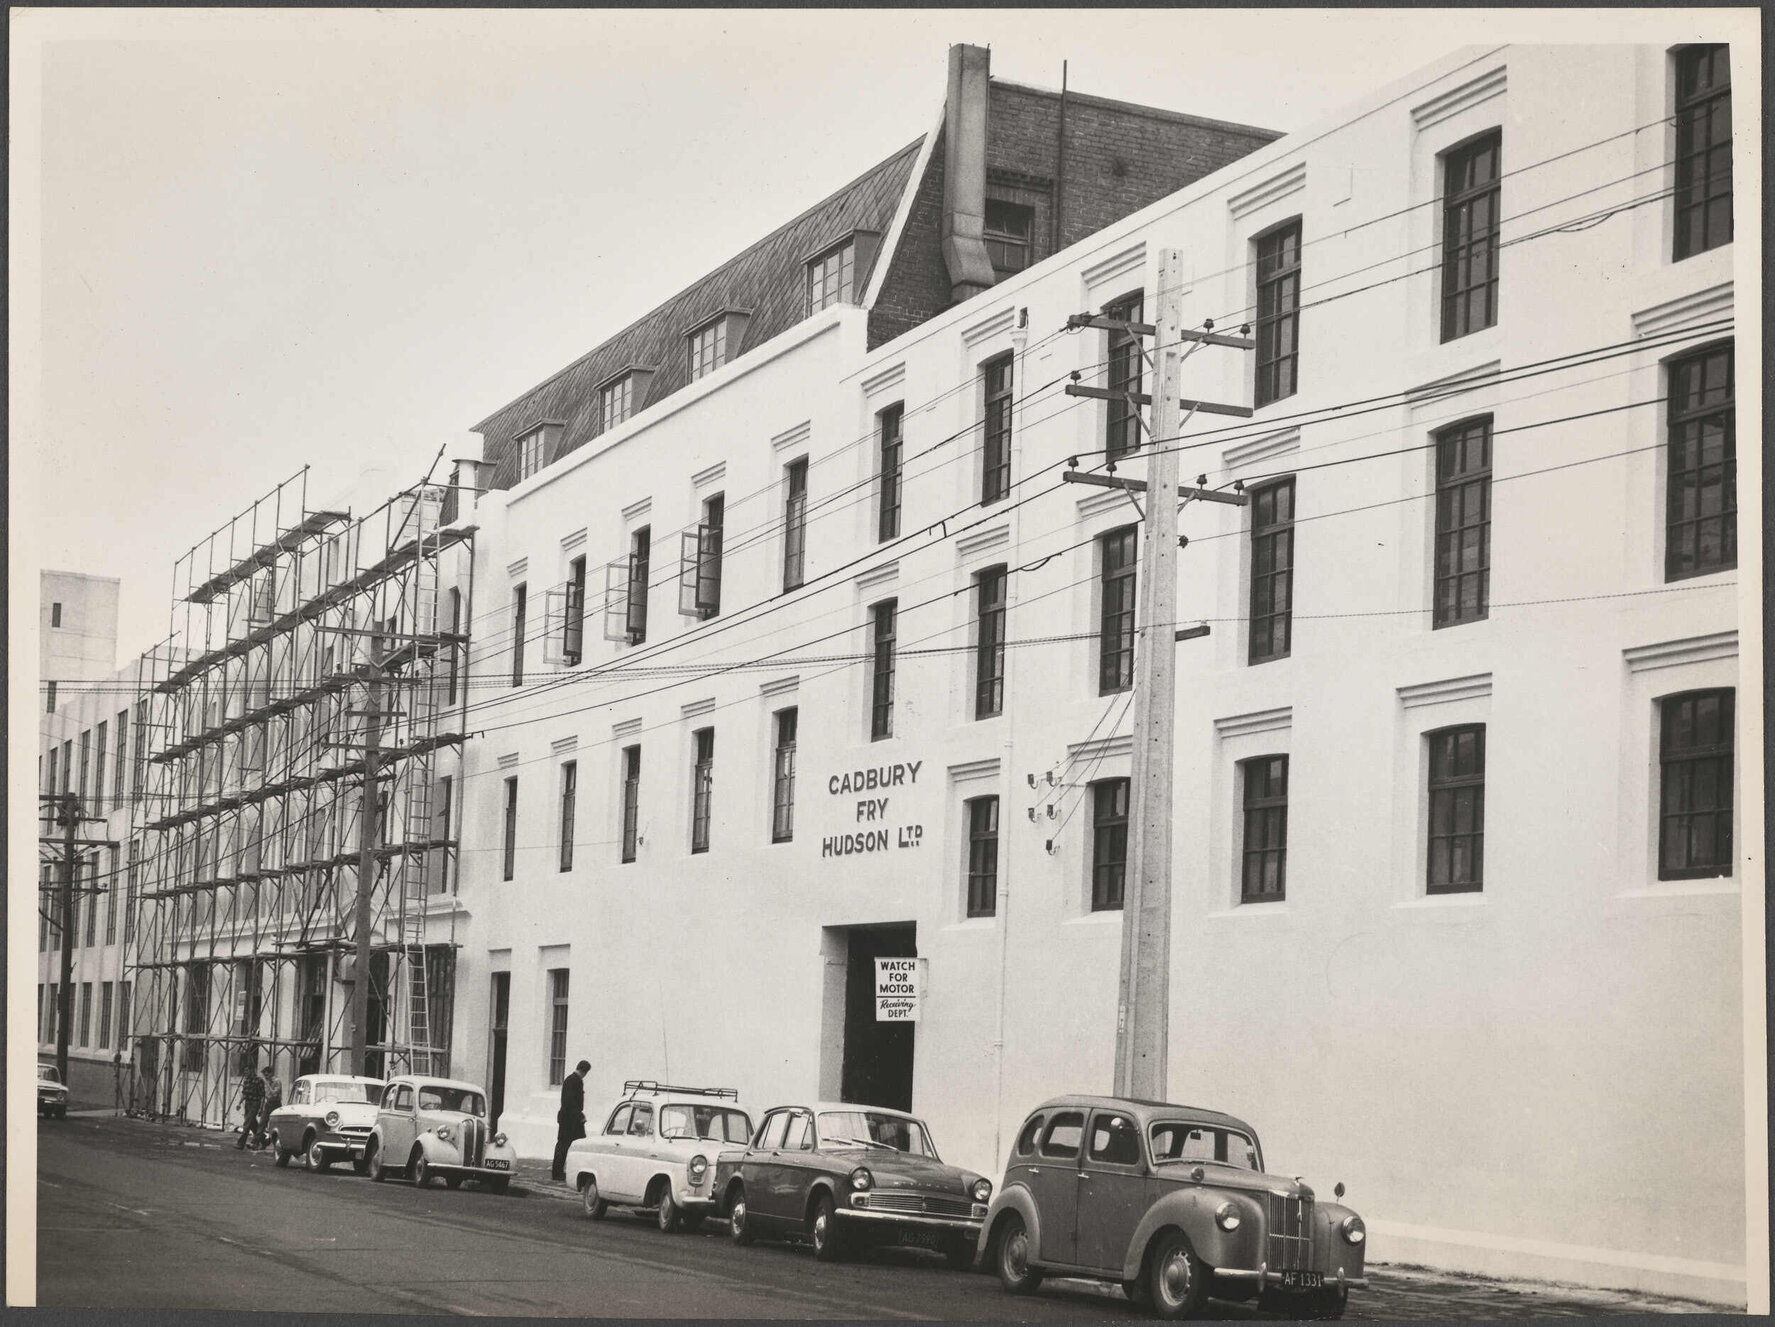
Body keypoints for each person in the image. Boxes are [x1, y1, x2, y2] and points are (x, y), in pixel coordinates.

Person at [551, 1059, 590, 1182]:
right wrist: (579, 1116)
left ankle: (560, 1171)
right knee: (566, 1145)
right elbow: (570, 1102)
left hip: (569, 1118)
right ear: (584, 1071)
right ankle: (558, 1172)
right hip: (571, 1120)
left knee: (565, 1145)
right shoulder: (575, 1081)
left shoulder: (570, 1080)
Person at [237, 1065, 265, 1149]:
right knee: (252, 1124)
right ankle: (263, 1139)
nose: (245, 1072)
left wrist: (261, 1107)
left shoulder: (259, 1080)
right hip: (247, 1103)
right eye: (245, 1071)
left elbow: (262, 1095)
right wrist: (239, 1103)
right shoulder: (246, 1081)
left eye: (247, 1070)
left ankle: (240, 1143)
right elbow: (244, 1093)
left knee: (247, 1123)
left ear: (253, 1070)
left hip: (255, 1103)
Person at [258, 1066, 283, 1150]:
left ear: (271, 1074)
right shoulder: (265, 1082)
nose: (266, 1076)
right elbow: (265, 1095)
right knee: (262, 1123)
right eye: (264, 1075)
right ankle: (258, 1142)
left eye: (267, 1074)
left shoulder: (277, 1081)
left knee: (274, 1126)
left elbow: (274, 1093)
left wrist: (267, 1083)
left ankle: (272, 1142)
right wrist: (261, 1107)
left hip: (275, 1104)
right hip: (268, 1103)